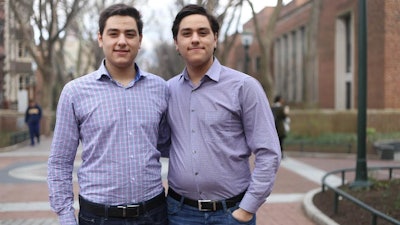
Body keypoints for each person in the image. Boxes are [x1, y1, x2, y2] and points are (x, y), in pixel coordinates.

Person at [47, 4, 169, 225]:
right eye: (113, 33)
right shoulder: (75, 92)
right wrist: (65, 216)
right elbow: (59, 162)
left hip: (154, 214)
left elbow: (168, 145)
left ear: (139, 40)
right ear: (100, 38)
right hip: (98, 217)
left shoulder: (160, 89)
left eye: (130, 34)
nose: (122, 41)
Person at [166, 4, 281, 224]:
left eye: (203, 32)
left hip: (231, 213)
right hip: (179, 213)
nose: (195, 39)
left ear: (215, 39)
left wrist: (247, 208)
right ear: (176, 44)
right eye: (186, 33)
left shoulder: (244, 87)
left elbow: (268, 152)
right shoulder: (168, 91)